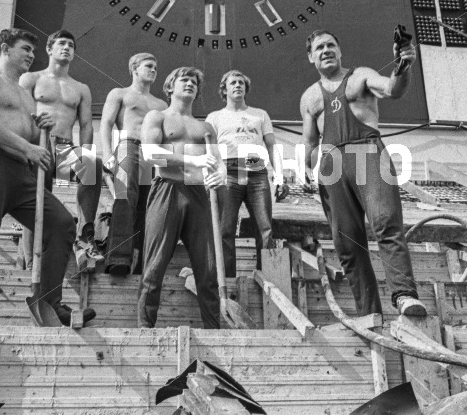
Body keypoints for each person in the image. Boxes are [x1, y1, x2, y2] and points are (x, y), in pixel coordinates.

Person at [0, 28, 80, 326]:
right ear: (5, 49)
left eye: (33, 52)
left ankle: (49, 302)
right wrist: (27, 146)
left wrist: (44, 131)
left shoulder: (26, 94)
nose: (31, 55)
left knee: (62, 224)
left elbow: (42, 151)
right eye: (25, 48)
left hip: (22, 173)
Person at [299, 29, 427, 317]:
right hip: (331, 165)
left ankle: (404, 295)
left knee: (385, 221)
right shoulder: (309, 97)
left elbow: (393, 89)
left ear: (340, 50)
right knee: (347, 242)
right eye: (319, 47)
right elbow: (309, 141)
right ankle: (369, 313)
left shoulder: (361, 76)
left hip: (367, 152)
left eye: (331, 44)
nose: (326, 50)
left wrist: (403, 64)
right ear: (311, 57)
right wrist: (304, 171)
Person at [138, 67, 225, 329]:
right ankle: (144, 329)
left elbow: (218, 163)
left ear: (198, 91)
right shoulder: (157, 117)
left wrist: (220, 174)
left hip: (199, 193)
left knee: (209, 271)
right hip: (167, 189)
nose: (189, 84)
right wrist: (192, 159)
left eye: (194, 82)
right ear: (170, 87)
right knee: (154, 267)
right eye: (183, 80)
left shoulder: (206, 126)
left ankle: (213, 330)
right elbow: (151, 155)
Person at [19, 30, 104, 265]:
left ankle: (84, 239)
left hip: (64, 149)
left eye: (71, 45)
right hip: (38, 145)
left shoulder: (80, 88)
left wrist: (85, 153)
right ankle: (29, 258)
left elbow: (87, 125)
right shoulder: (31, 79)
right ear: (49, 49)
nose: (67, 48)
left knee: (94, 164)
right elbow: (21, 114)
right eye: (62, 43)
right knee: (37, 198)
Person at [205, 70, 288, 277]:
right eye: (233, 82)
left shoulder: (260, 114)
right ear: (224, 89)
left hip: (257, 172)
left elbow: (272, 146)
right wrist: (211, 177)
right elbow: (210, 151)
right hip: (228, 173)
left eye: (241, 82)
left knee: (265, 227)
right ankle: (228, 278)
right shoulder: (214, 117)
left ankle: (267, 276)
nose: (238, 85)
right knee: (226, 229)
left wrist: (279, 177)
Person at [98, 53, 168, 275]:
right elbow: (106, 124)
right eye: (149, 66)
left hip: (152, 152)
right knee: (125, 196)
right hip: (128, 146)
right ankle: (118, 257)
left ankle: (138, 261)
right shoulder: (120, 94)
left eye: (156, 67)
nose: (153, 70)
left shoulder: (160, 103)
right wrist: (108, 154)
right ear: (134, 68)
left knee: (148, 204)